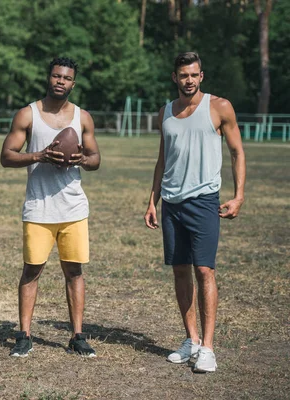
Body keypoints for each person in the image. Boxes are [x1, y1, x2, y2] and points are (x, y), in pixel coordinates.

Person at [144, 52, 246, 372]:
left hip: (203, 201)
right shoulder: (166, 114)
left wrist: (239, 195)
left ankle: (209, 348)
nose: (188, 80)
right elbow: (164, 160)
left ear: (201, 76)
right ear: (174, 77)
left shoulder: (219, 107)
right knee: (180, 271)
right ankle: (192, 340)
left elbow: (236, 152)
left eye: (194, 75)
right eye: (183, 75)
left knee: (205, 271)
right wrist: (152, 200)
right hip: (171, 203)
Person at [0, 57, 101, 358]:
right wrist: (39, 155)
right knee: (32, 270)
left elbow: (96, 159)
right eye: (56, 76)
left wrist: (82, 158)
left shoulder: (82, 117)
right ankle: (24, 335)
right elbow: (6, 155)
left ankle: (78, 336)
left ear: (73, 83)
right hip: (39, 207)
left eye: (66, 78)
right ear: (49, 78)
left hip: (73, 209)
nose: (60, 81)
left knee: (74, 271)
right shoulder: (28, 114)